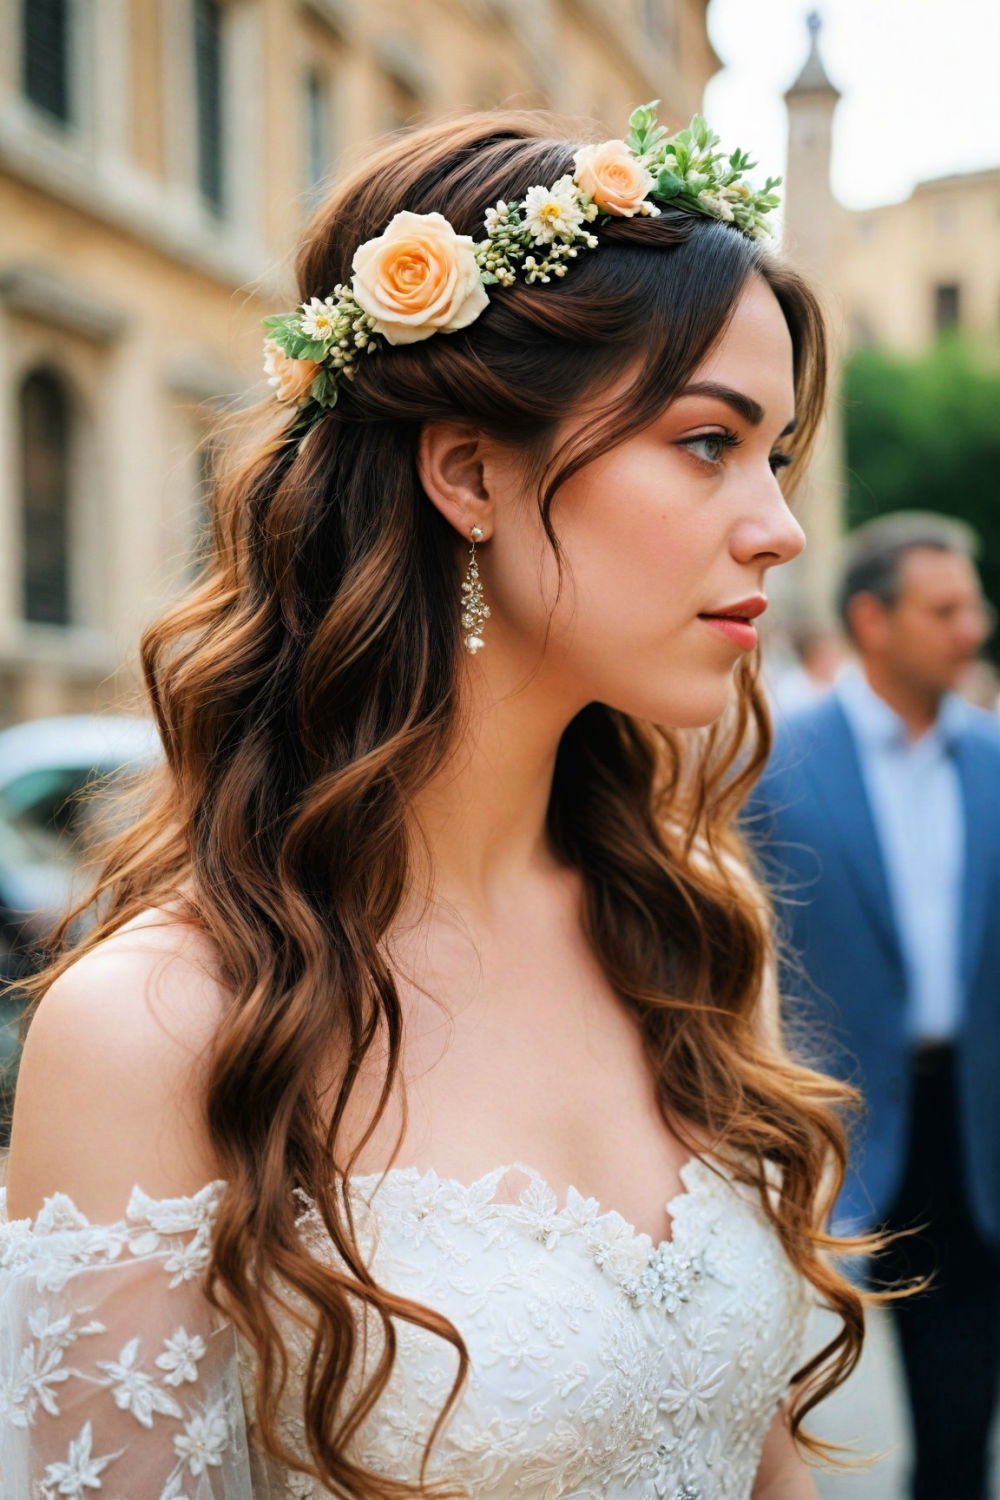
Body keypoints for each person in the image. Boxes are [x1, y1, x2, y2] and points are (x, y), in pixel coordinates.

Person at [1, 105, 873, 1500]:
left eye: (776, 455)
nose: (779, 523)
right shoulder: (158, 1030)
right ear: (468, 469)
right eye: (710, 442)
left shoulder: (696, 936)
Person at [748, 511, 1000, 1500]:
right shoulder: (771, 767)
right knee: (775, 1434)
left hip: (972, 1137)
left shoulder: (992, 761)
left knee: (957, 1435)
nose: (971, 627)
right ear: (871, 619)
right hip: (826, 1135)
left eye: (971, 603)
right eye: (944, 609)